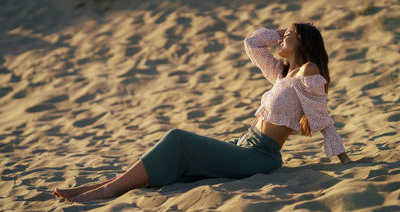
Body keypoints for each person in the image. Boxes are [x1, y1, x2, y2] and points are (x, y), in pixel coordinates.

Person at [53, 23, 354, 203]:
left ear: (303, 41)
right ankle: (97, 187)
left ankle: (106, 191)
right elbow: (252, 44)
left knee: (178, 139)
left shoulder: (307, 72)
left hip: (259, 157)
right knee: (176, 155)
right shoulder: (281, 75)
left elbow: (323, 118)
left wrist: (346, 160)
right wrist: (276, 33)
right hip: (242, 144)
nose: (281, 39)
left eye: (289, 35)